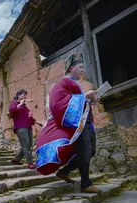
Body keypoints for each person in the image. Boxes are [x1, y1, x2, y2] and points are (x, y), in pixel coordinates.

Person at [35, 52, 102, 193]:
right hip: (78, 124)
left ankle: (64, 171)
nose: (83, 69)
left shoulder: (75, 84)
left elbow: (79, 102)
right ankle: (85, 184)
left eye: (83, 67)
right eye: (80, 66)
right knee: (85, 150)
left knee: (91, 151)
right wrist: (85, 96)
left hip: (86, 121)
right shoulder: (63, 83)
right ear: (71, 68)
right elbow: (58, 103)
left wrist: (91, 100)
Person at [9, 90, 43, 169]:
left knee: (28, 145)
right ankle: (30, 163)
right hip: (20, 127)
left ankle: (16, 160)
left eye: (26, 95)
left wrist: (37, 122)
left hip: (28, 127)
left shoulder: (24, 107)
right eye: (24, 95)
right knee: (26, 145)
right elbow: (12, 111)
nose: (25, 97)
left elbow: (29, 117)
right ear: (18, 95)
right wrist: (20, 103)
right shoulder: (14, 104)